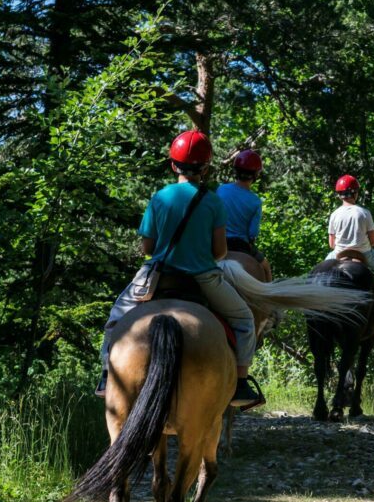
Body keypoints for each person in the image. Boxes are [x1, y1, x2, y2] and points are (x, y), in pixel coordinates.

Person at [95, 130, 264, 407]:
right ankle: (241, 383)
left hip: (158, 276)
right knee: (245, 319)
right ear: (206, 167)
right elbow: (220, 251)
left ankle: (105, 375)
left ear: (173, 164)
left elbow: (147, 248)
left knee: (116, 317)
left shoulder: (160, 197)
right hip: (203, 278)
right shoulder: (213, 201)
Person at [324, 175, 374, 318]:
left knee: (317, 274)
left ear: (339, 195)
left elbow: (331, 244)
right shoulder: (364, 213)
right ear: (355, 193)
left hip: (339, 254)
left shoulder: (334, 215)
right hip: (364, 254)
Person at [218, 150, 272, 281]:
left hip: (217, 242)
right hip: (240, 245)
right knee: (266, 267)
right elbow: (252, 233)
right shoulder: (255, 201)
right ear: (255, 175)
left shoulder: (221, 190)